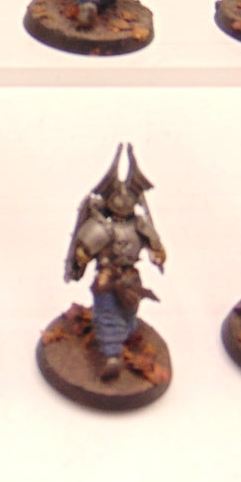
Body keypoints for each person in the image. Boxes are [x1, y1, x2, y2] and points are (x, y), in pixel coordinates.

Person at [65, 145, 166, 380]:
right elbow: (84, 251)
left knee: (126, 312)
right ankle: (112, 355)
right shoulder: (102, 226)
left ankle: (125, 338)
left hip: (128, 278)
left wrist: (158, 253)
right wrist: (81, 256)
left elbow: (156, 249)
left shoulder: (139, 225)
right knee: (109, 314)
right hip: (110, 277)